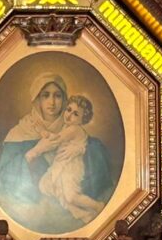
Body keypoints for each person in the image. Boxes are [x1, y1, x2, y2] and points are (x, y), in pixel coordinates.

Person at [0, 73, 114, 222]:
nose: (52, 102)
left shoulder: (72, 126)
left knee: (69, 194)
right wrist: (34, 151)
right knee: (49, 187)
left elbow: (97, 159)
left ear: (64, 99)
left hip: (68, 180)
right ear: (37, 99)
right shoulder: (20, 132)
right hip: (35, 210)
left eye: (57, 96)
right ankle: (84, 214)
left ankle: (92, 209)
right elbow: (4, 176)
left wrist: (82, 149)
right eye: (45, 95)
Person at [26, 95, 105, 223]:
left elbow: (55, 140)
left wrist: (41, 133)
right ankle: (83, 214)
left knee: (71, 196)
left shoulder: (74, 129)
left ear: (82, 119)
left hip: (71, 167)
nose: (69, 115)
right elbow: (54, 137)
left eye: (75, 114)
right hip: (60, 165)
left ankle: (97, 206)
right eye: (69, 110)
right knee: (46, 186)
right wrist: (42, 131)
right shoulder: (67, 128)